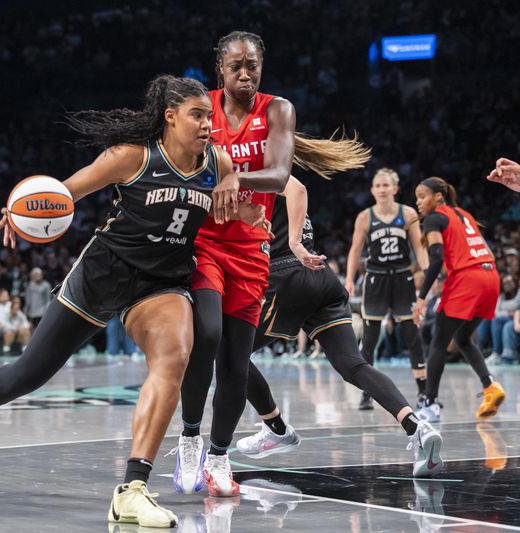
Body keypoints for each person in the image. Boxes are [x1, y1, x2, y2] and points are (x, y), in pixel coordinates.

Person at [0, 75, 265, 529]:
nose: (207, 123)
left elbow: (230, 175)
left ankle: (132, 490)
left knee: (174, 357)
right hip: (102, 273)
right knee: (28, 373)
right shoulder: (132, 156)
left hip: (161, 282)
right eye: (197, 115)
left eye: (208, 115)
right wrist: (18, 212)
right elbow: (63, 193)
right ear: (170, 117)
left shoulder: (217, 161)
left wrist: (236, 193)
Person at [174, 30, 371, 497]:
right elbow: (179, 165)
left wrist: (233, 176)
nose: (245, 73)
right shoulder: (200, 107)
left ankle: (219, 459)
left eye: (253, 66)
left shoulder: (277, 109)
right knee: (207, 335)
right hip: (204, 242)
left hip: (252, 249)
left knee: (237, 362)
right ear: (219, 68)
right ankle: (188, 439)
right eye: (236, 65)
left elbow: (283, 175)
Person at [231, 177, 443, 479]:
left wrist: (290, 243)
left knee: (230, 354)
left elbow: (296, 188)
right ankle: (416, 426)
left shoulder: (264, 173)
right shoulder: (271, 173)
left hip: (288, 273)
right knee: (353, 365)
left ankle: (276, 428)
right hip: (320, 275)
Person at [412, 177, 505, 423]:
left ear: (438, 197)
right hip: (490, 276)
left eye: (422, 196)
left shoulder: (434, 219)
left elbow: (436, 260)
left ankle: (430, 404)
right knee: (462, 338)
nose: (419, 202)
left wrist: (421, 299)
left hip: (468, 279)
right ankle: (490, 386)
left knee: (438, 343)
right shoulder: (464, 214)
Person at [344, 168, 429, 410]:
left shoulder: (408, 213)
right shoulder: (365, 217)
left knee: (413, 337)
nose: (381, 189)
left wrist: (428, 273)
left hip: (403, 278)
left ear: (395, 188)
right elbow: (355, 250)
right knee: (370, 340)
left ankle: (423, 393)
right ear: (372, 190)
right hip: (376, 279)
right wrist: (349, 278)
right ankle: (367, 393)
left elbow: (419, 249)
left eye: (385, 185)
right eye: (377, 185)